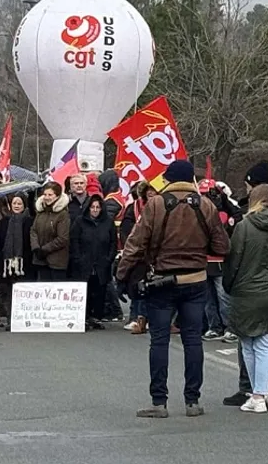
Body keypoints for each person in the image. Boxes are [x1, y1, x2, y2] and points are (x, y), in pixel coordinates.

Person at [117, 160, 230, 419]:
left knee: (159, 341)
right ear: (191, 179)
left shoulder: (156, 204)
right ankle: (193, 401)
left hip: (161, 280)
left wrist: (122, 275)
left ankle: (159, 402)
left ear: (167, 179)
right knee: (192, 340)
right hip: (195, 280)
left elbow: (136, 242)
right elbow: (222, 247)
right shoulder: (206, 206)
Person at [223, 185, 268, 413]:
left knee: (247, 343)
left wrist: (230, 285)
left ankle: (255, 392)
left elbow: (233, 260)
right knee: (265, 343)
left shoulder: (244, 227)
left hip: (246, 291)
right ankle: (261, 392)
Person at [199, 178, 241, 343]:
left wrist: (222, 197)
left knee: (224, 296)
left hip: (220, 260)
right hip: (204, 260)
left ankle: (230, 327)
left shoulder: (224, 214)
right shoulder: (197, 213)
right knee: (208, 298)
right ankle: (214, 326)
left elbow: (237, 214)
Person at [71, 194, 117, 331]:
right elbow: (74, 241)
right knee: (85, 291)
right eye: (93, 207)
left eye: (98, 207)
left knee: (100, 291)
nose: (95, 210)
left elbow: (113, 242)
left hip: (102, 263)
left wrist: (109, 258)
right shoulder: (80, 221)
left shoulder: (108, 222)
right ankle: (84, 317)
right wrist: (78, 258)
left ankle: (96, 317)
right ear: (88, 208)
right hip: (85, 262)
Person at [0, 194, 32, 331]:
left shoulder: (29, 222)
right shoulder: (3, 222)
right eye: (14, 203)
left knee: (20, 291)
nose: (16, 206)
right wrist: (0, 258)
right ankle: (4, 316)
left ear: (24, 205)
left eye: (19, 203)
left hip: (23, 264)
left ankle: (18, 318)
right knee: (4, 291)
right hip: (5, 264)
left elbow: (30, 243)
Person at [121, 181, 158, 334]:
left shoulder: (163, 207)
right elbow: (125, 230)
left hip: (155, 254)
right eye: (148, 190)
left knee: (154, 289)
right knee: (136, 287)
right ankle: (135, 317)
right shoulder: (134, 208)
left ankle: (150, 318)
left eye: (154, 190)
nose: (151, 193)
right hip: (137, 254)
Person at [31, 182, 71, 281]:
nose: (47, 197)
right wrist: (36, 248)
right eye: (45, 194)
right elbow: (33, 230)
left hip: (56, 262)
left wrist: (45, 249)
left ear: (57, 196)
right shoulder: (40, 212)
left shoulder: (62, 214)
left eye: (50, 195)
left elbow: (63, 238)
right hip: (40, 260)